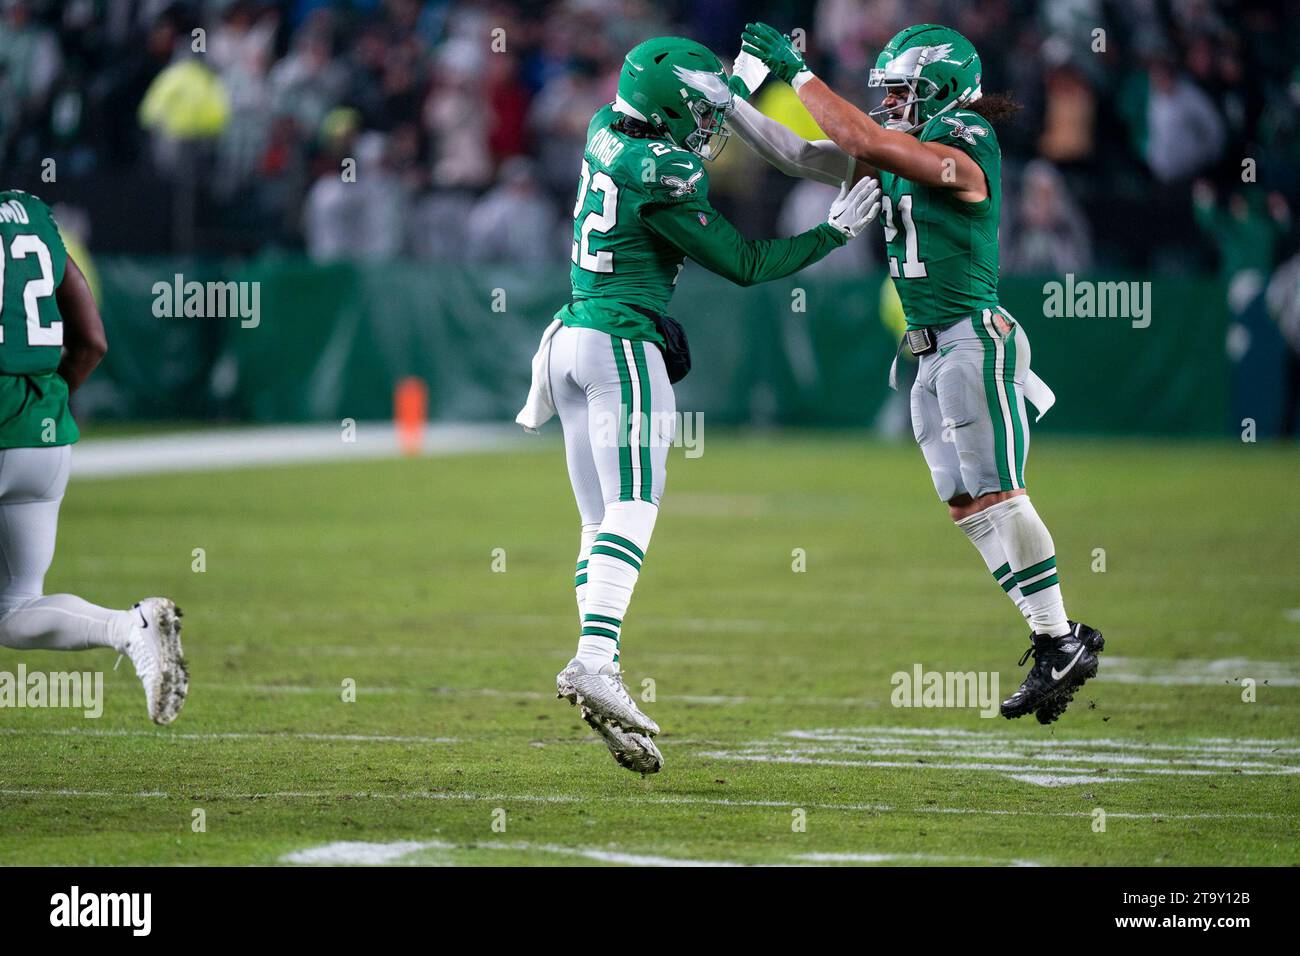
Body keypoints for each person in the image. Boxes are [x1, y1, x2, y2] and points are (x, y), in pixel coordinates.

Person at [516, 37, 880, 773]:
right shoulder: (665, 168)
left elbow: (679, 126)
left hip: (568, 343)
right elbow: (745, 264)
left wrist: (735, 78)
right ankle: (593, 660)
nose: (709, 126)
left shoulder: (603, 127)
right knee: (635, 508)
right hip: (621, 344)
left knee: (598, 520)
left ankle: (600, 664)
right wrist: (831, 233)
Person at [737, 22, 1103, 723]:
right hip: (930, 353)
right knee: (965, 505)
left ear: (940, 87)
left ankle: (1059, 637)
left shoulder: (967, 140)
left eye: (902, 89)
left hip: (974, 341)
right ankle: (1052, 637)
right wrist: (727, 103)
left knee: (999, 494)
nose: (891, 102)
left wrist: (800, 74)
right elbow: (797, 154)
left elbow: (866, 143)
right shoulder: (902, 152)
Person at [0, 189, 188, 724]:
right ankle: (131, 629)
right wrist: (45, 406)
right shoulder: (32, 216)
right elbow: (93, 342)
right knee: (12, 610)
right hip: (44, 439)